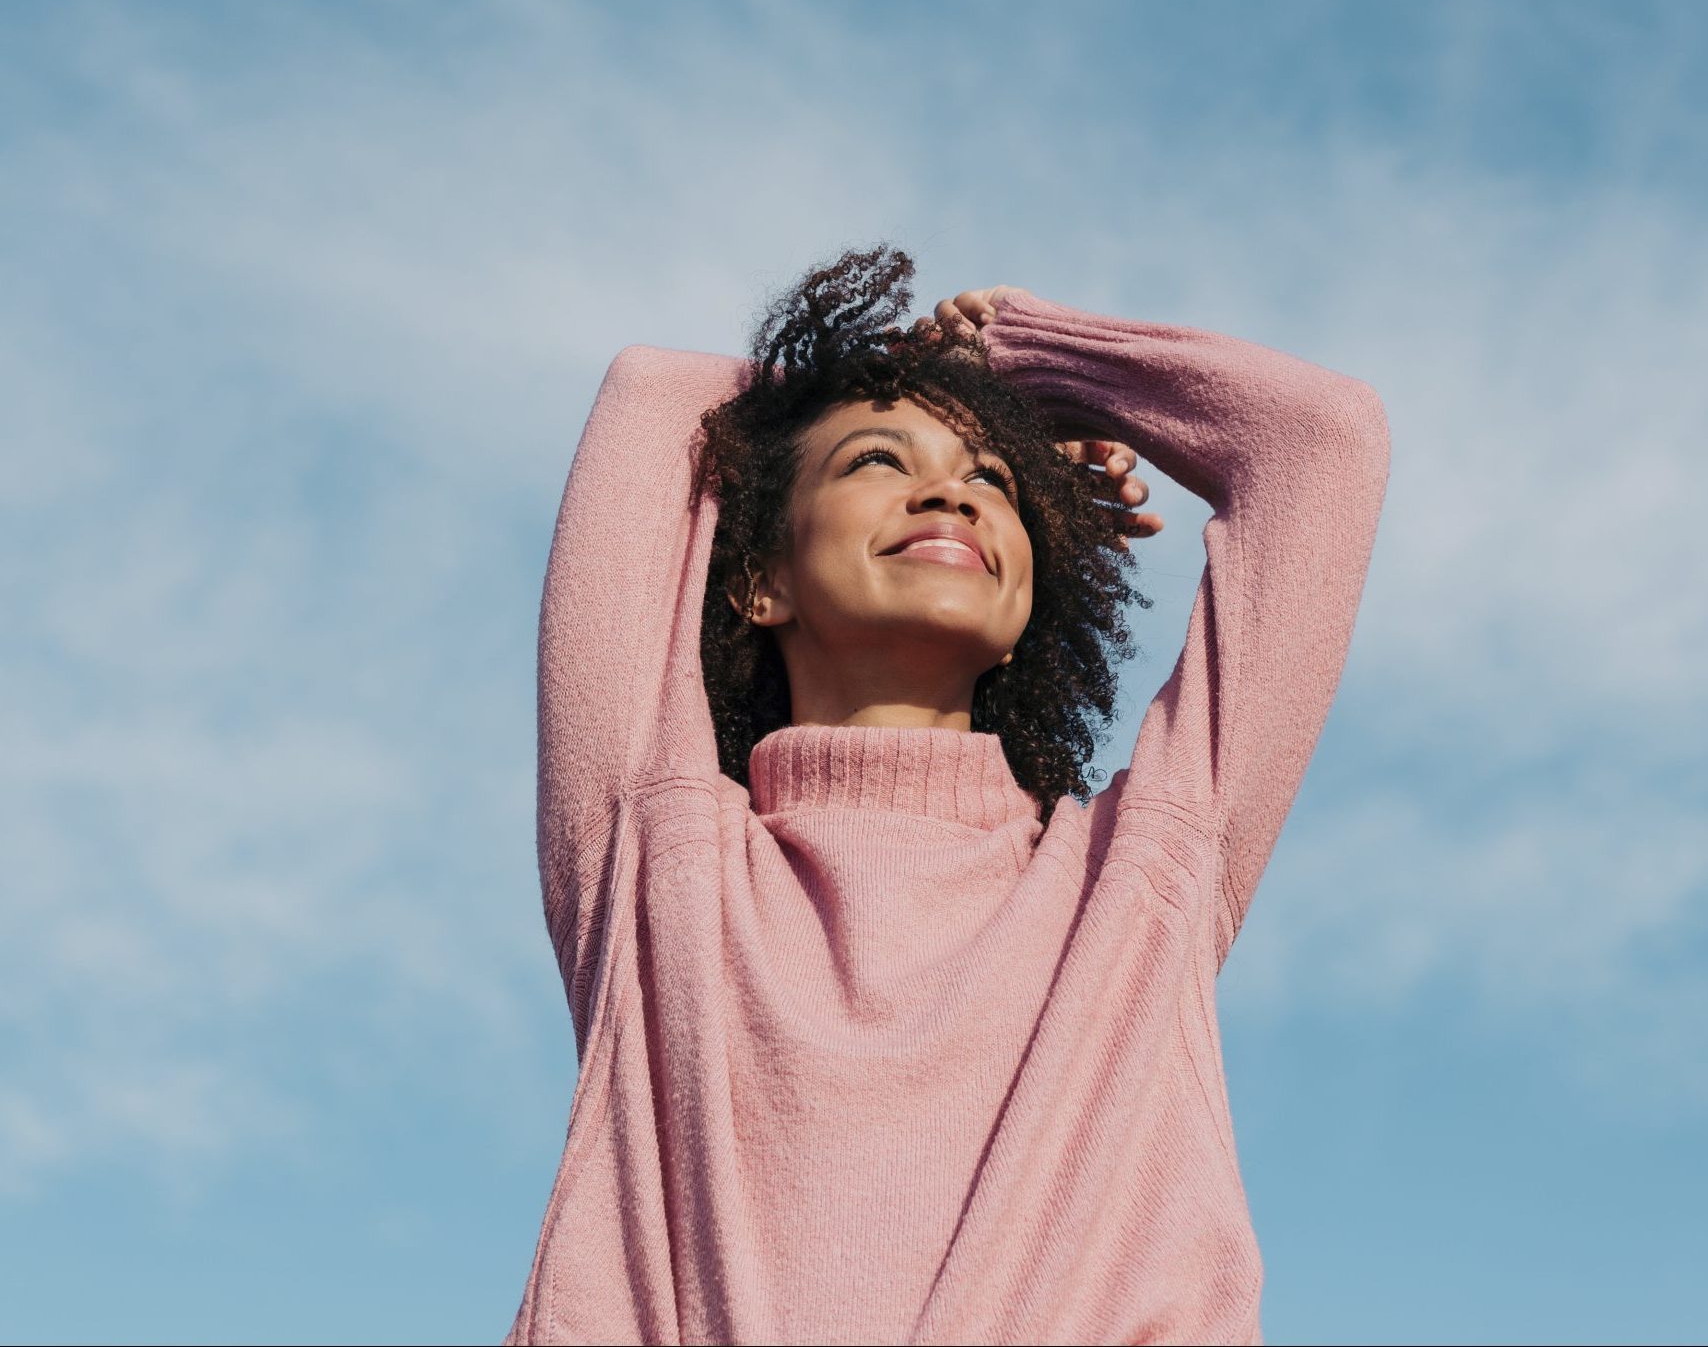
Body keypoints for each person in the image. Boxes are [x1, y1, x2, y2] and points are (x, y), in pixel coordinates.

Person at [504, 245, 1390, 1346]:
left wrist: (1024, 357)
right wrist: (913, 378)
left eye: (995, 481)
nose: (947, 489)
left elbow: (1320, 441)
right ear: (757, 578)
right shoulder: (654, 851)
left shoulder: (1136, 879)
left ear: (1033, 577)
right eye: (878, 459)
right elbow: (653, 392)